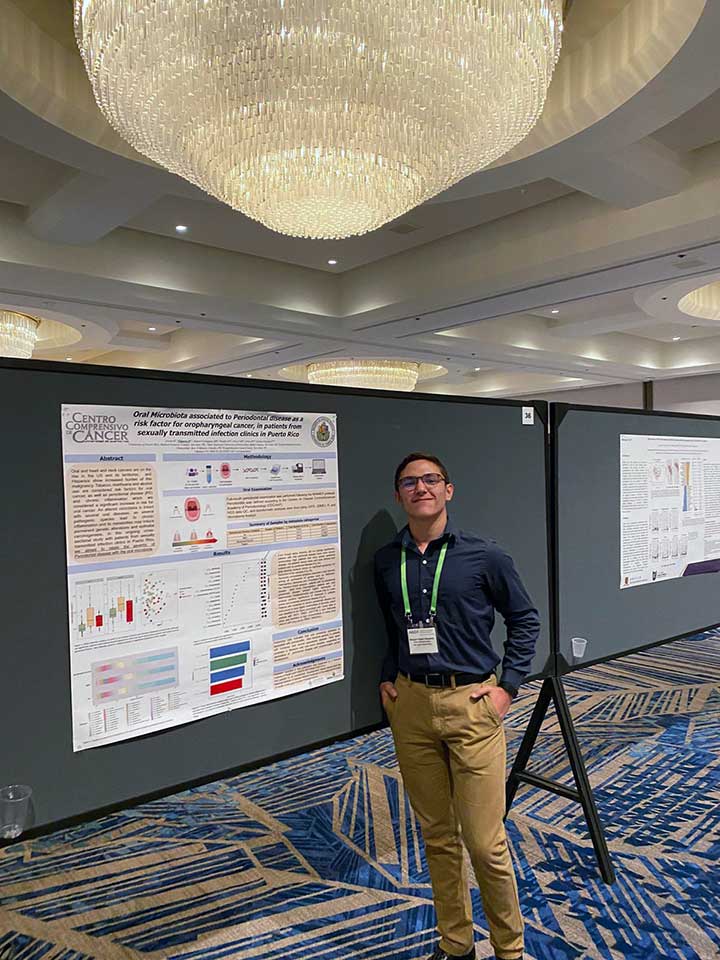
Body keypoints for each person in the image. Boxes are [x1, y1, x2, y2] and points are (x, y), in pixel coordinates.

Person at [374, 453, 540, 960]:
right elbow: (390, 627)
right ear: (399, 495)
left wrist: (507, 687)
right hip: (412, 707)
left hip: (472, 704)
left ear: (448, 490)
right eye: (409, 482)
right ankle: (456, 944)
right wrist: (387, 678)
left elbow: (525, 620)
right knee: (438, 835)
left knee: (485, 843)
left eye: (431, 479)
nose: (420, 488)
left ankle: (509, 949)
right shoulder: (386, 560)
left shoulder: (485, 556)